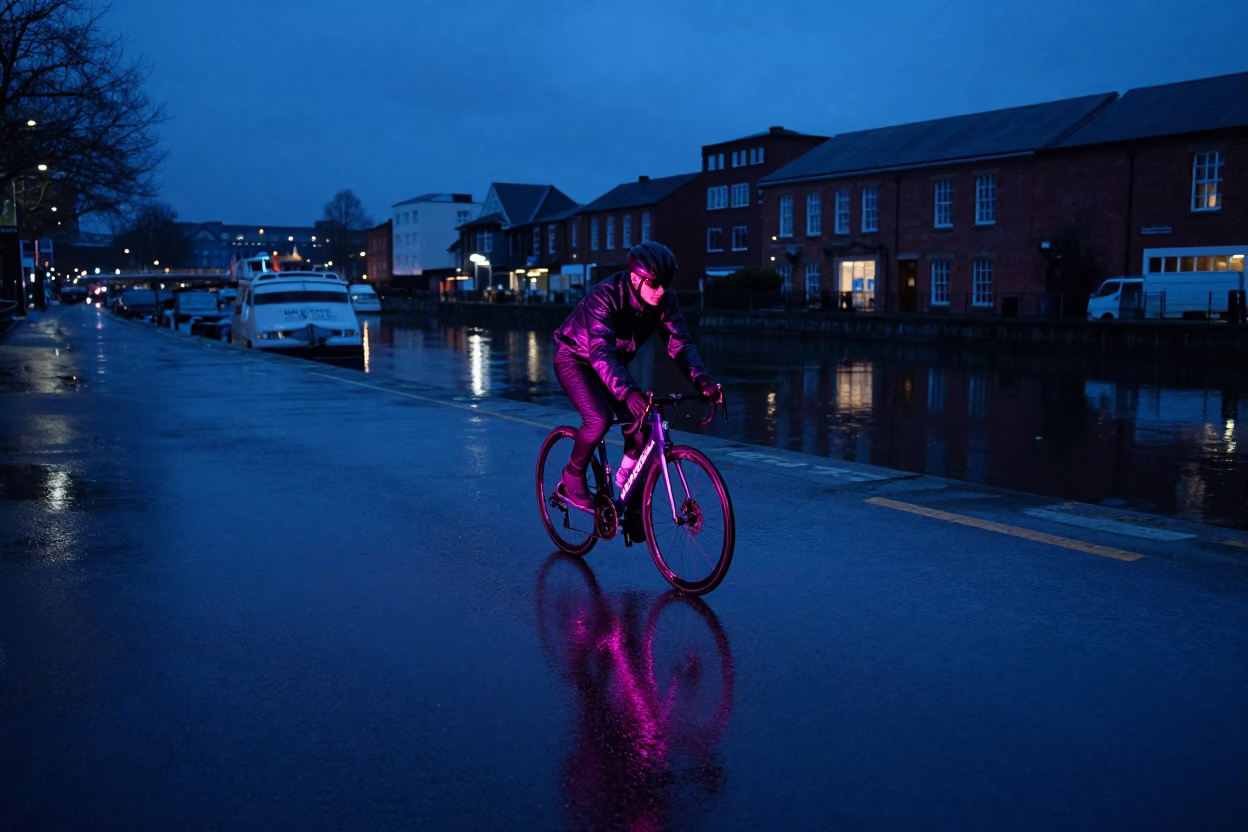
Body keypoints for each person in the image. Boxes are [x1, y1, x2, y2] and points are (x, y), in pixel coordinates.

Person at [553, 240, 720, 510]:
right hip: (576, 358)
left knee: (644, 419)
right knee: (599, 418)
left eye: (666, 283)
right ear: (635, 278)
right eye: (654, 284)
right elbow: (600, 354)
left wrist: (702, 381)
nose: (661, 291)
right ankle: (572, 475)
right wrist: (628, 392)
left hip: (613, 363)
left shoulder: (665, 300)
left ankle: (625, 491)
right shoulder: (604, 296)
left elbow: (680, 343)